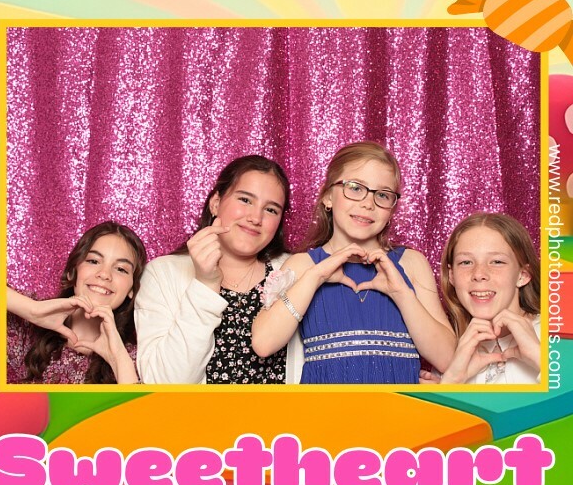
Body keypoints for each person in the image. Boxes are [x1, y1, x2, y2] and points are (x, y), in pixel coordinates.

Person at [251, 143, 455, 385]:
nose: (368, 203)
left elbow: (447, 360)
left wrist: (401, 294)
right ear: (328, 196)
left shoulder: (411, 263)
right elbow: (263, 344)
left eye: (382, 195)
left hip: (399, 406)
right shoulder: (304, 265)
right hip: (327, 406)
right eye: (355, 188)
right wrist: (317, 276)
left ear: (392, 209)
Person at [135, 155, 302, 385]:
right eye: (245, 200)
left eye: (271, 210)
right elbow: (165, 384)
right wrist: (205, 284)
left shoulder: (295, 271)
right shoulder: (162, 274)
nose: (256, 218)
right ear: (215, 202)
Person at [7, 222, 146, 385]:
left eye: (121, 269)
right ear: (73, 271)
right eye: (93, 261)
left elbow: (140, 403)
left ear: (132, 289)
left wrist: (118, 359)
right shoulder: (26, 321)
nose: (104, 274)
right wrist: (33, 311)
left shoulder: (138, 359)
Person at [436, 214, 540, 386]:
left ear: (523, 275)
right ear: (452, 276)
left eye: (497, 261)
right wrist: (451, 380)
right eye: (466, 262)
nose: (479, 274)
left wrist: (540, 357)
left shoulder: (560, 337)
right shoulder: (450, 356)